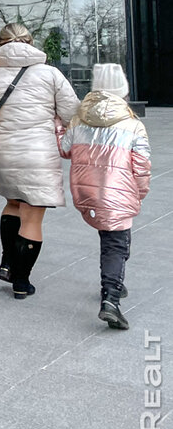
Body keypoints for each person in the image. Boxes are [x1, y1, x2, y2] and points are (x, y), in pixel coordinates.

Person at [0, 23, 79, 300]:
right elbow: (72, 112)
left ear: (0, 44)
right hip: (38, 154)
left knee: (12, 203)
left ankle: (8, 262)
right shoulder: (50, 73)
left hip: (2, 152)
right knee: (32, 216)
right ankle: (21, 282)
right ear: (30, 42)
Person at [58, 63, 150, 330]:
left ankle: (114, 283)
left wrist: (57, 126)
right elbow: (142, 168)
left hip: (87, 192)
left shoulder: (78, 120)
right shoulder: (133, 125)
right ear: (123, 88)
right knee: (117, 244)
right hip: (118, 193)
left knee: (109, 238)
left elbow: (64, 149)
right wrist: (140, 193)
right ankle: (110, 299)